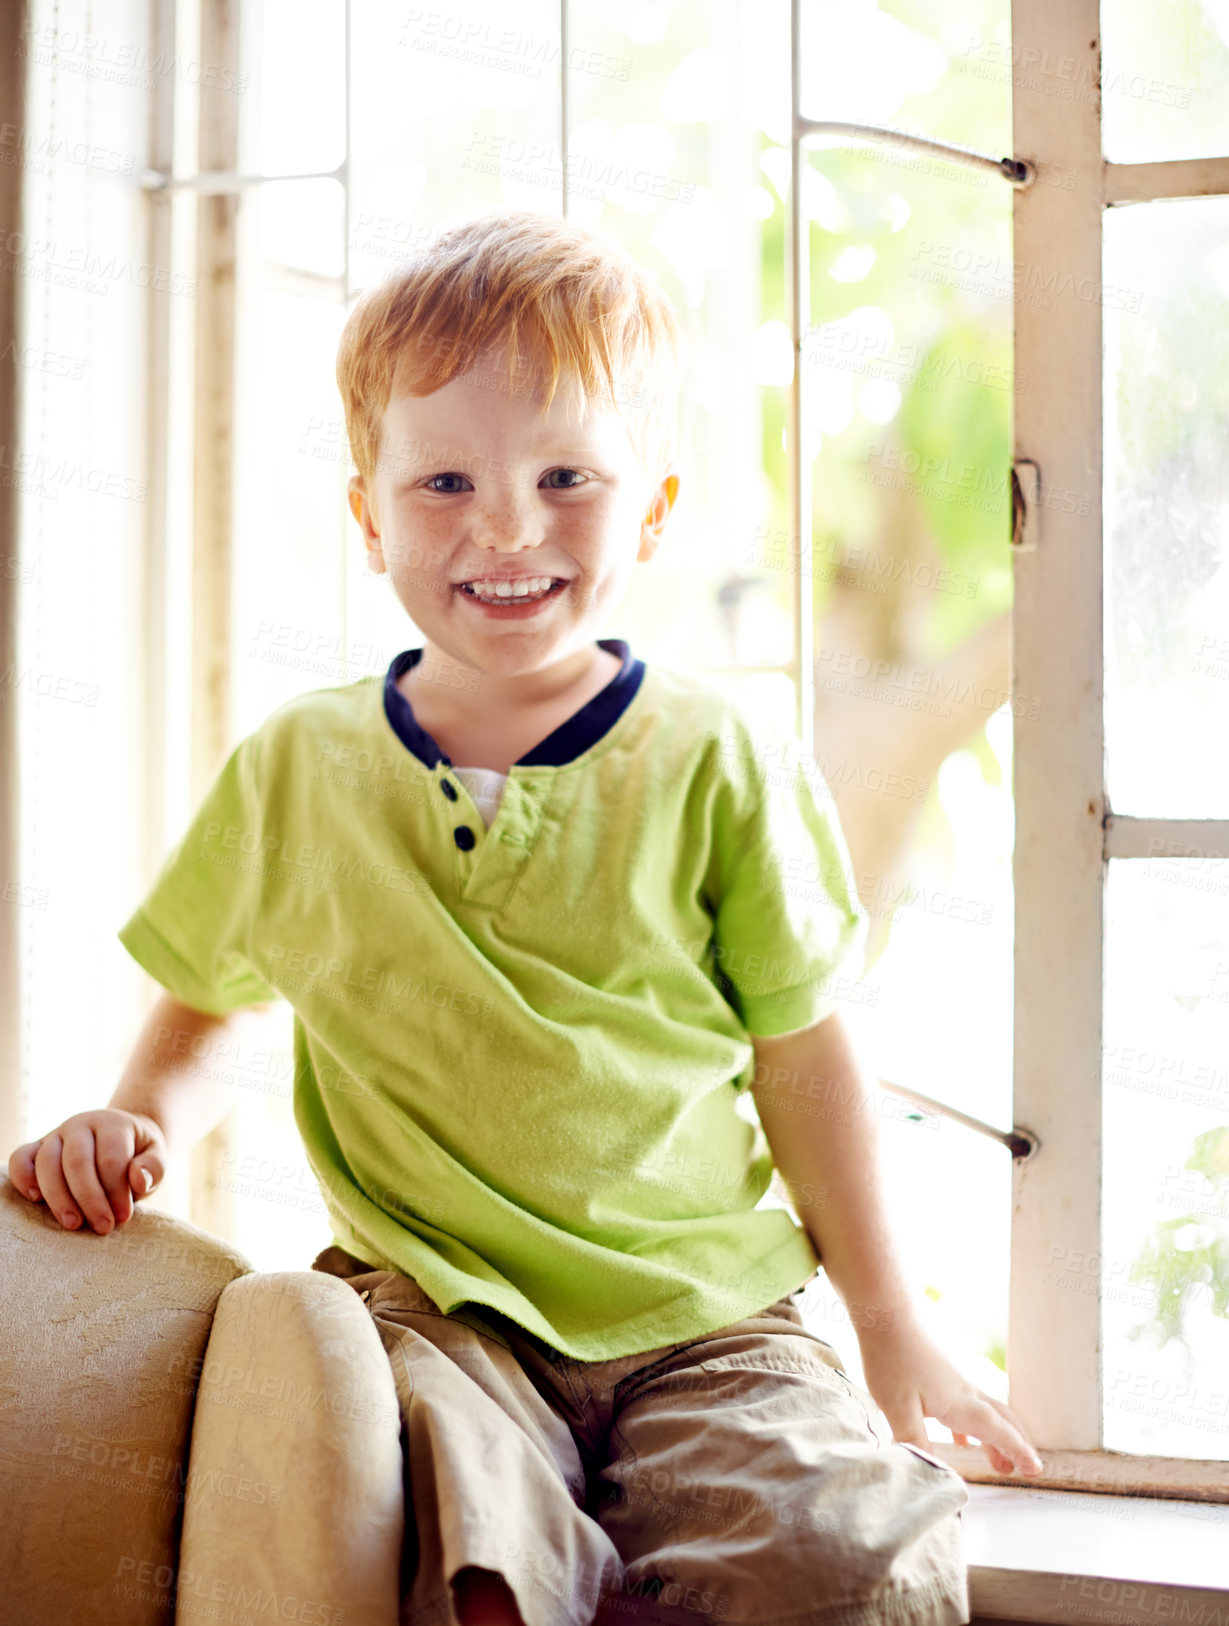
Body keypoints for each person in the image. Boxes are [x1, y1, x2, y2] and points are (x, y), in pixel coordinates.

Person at [8, 209, 1041, 1626]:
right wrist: (136, 1118)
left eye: (567, 475)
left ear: (654, 509)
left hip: (711, 1320)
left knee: (832, 1564)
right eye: (443, 480)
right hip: (439, 1314)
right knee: (469, 1565)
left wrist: (887, 1320)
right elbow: (201, 1003)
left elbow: (805, 1060)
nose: (504, 525)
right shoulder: (299, 768)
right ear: (369, 518)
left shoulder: (716, 762)